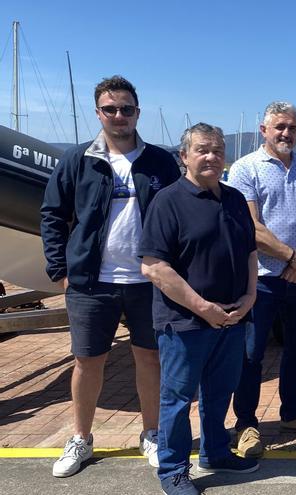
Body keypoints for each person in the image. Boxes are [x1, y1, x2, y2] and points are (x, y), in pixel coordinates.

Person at [40, 75, 180, 477]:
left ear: (138, 112)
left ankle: (151, 433)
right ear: (98, 112)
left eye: (127, 109)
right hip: (90, 281)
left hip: (147, 280)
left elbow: (177, 216)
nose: (119, 115)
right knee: (87, 361)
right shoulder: (78, 159)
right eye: (111, 109)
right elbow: (52, 213)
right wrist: (59, 269)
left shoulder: (159, 161)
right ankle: (81, 439)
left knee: (150, 358)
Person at [139, 123, 259, 495]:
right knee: (177, 399)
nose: (211, 157)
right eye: (203, 150)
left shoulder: (235, 199)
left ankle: (216, 452)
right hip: (185, 322)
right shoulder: (168, 201)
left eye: (218, 150)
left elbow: (251, 252)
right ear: (184, 156)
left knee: (219, 393)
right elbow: (154, 267)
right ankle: (174, 469)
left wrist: (251, 296)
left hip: (232, 318)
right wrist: (203, 307)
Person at [227, 101, 296, 457]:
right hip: (262, 279)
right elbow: (251, 226)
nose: (286, 133)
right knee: (251, 354)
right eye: (279, 127)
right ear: (264, 130)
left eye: (292, 127)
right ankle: (246, 424)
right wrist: (291, 257)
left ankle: (291, 414)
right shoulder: (245, 169)